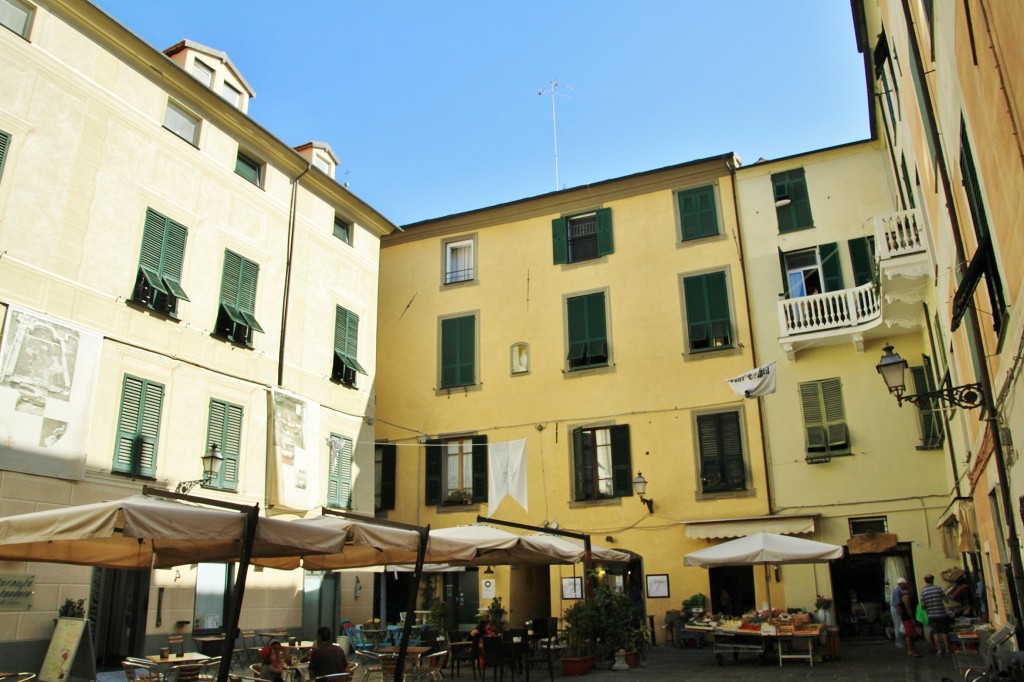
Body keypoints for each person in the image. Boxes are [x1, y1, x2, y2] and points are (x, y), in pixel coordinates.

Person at [920, 574, 950, 657]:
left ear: (925, 581)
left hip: (931, 614)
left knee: (935, 632)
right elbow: (946, 600)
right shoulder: (938, 588)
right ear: (933, 580)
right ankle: (947, 649)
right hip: (941, 613)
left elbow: (923, 605)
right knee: (944, 632)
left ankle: (939, 650)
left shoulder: (923, 591)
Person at [894, 578, 920, 657]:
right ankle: (910, 650)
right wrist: (912, 618)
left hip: (906, 617)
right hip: (907, 617)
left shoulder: (905, 595)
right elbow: (908, 608)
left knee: (910, 633)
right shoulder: (906, 596)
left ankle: (912, 649)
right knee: (909, 634)